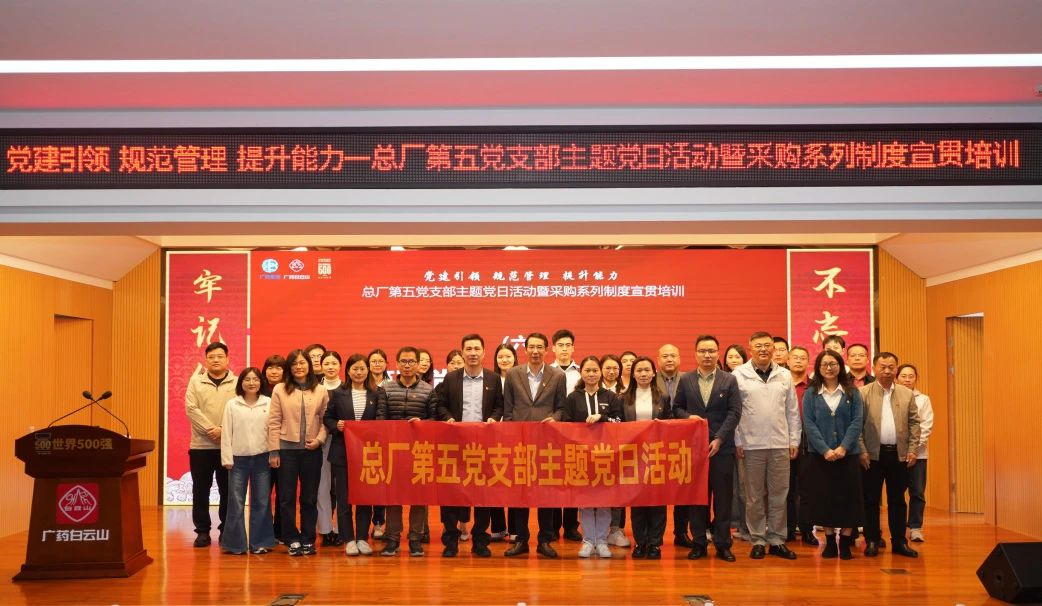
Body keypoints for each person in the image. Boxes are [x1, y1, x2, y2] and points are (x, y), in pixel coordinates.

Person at [672, 335, 742, 562]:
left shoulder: (729, 380)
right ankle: (699, 543)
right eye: (702, 351)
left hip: (722, 449)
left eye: (711, 351)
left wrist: (720, 438)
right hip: (695, 449)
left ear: (718, 353)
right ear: (695, 354)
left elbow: (735, 412)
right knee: (698, 499)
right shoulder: (686, 379)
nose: (707, 355)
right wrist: (687, 417)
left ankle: (723, 544)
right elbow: (677, 408)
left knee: (723, 499)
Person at [433, 334, 504, 558]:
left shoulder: (493, 379)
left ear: (484, 353)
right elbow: (440, 405)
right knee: (451, 493)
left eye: (476, 349)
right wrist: (448, 418)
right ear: (462, 352)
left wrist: (494, 418)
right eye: (468, 349)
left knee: (483, 494)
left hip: (484, 445)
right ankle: (451, 540)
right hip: (455, 445)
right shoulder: (450, 378)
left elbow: (499, 406)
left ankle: (480, 540)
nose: (473, 353)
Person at [732, 331, 801, 560]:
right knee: (753, 496)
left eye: (767, 345)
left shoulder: (784, 375)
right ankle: (758, 539)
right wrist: (737, 440)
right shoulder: (738, 374)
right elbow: (734, 411)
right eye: (758, 345)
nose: (763, 349)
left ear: (774, 348)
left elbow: (792, 410)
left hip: (780, 443)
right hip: (750, 444)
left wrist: (794, 439)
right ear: (750, 348)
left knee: (779, 494)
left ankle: (777, 539)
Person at [502, 332, 567, 558]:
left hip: (547, 442)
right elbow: (508, 410)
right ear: (525, 349)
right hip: (519, 442)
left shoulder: (558, 375)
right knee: (520, 493)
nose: (536, 351)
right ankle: (521, 540)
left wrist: (555, 419)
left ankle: (544, 540)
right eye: (531, 347)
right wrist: (510, 436)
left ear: (547, 350)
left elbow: (561, 408)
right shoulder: (513, 374)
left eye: (540, 347)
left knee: (546, 493)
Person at [803, 350, 865, 560]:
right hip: (820, 457)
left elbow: (857, 421)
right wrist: (825, 449)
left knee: (849, 498)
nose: (829, 368)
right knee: (824, 498)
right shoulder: (811, 393)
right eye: (824, 364)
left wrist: (844, 447)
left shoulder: (852, 392)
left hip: (848, 455)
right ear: (818, 368)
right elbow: (809, 424)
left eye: (833, 364)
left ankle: (845, 543)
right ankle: (829, 541)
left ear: (840, 366)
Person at [268, 349, 330, 556]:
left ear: (309, 366)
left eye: (302, 363)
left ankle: (308, 539)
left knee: (309, 497)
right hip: (286, 451)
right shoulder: (280, 389)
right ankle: (291, 538)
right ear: (289, 367)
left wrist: (319, 440)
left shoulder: (321, 390)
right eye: (294, 363)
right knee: (286, 498)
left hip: (311, 451)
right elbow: (274, 421)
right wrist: (274, 451)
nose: (299, 367)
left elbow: (326, 420)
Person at [858, 352, 921, 558]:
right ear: (874, 368)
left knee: (897, 500)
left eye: (891, 367)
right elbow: (856, 426)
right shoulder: (863, 393)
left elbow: (915, 423)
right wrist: (862, 450)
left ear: (896, 369)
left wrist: (912, 449)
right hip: (871, 456)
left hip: (899, 455)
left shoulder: (906, 394)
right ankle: (872, 540)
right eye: (882, 367)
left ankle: (899, 542)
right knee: (871, 500)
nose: (887, 371)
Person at [559, 355, 622, 558]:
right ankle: (588, 541)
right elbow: (566, 425)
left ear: (601, 372)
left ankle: (602, 541)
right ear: (581, 372)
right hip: (581, 457)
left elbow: (619, 421)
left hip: (606, 456)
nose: (592, 374)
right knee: (585, 501)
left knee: (604, 500)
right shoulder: (573, 398)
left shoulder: (611, 397)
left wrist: (602, 418)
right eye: (587, 370)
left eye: (595, 370)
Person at [376, 346, 436, 557]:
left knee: (419, 496)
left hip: (420, 451)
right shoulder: (386, 389)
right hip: (394, 451)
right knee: (393, 496)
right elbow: (380, 419)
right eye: (403, 361)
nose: (407, 365)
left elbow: (435, 419)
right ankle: (392, 539)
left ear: (419, 364)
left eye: (411, 361)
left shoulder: (429, 390)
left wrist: (423, 423)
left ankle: (415, 539)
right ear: (397, 364)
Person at [323, 353, 379, 556]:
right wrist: (335, 425)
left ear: (368, 370)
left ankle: (362, 537)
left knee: (365, 496)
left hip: (368, 453)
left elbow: (381, 420)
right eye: (355, 368)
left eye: (362, 368)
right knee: (343, 497)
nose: (359, 372)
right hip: (342, 452)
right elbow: (327, 417)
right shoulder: (339, 393)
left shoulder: (376, 394)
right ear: (348, 371)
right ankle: (348, 539)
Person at [184, 342, 236, 548]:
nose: (216, 360)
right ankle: (202, 531)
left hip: (228, 446)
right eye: (211, 357)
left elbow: (239, 410)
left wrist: (223, 430)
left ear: (227, 359)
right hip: (201, 446)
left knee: (228, 491)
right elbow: (191, 409)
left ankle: (226, 530)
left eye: (220, 356)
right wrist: (210, 430)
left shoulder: (237, 382)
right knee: (200, 490)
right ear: (206, 360)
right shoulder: (196, 382)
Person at [219, 367, 275, 555]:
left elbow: (273, 431)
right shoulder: (232, 404)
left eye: (255, 379)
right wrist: (227, 458)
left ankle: (260, 542)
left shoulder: (268, 402)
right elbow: (226, 432)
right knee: (236, 502)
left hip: (262, 458)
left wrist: (273, 454)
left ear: (261, 382)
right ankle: (235, 545)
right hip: (237, 460)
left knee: (262, 501)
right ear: (241, 382)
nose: (251, 383)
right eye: (247, 379)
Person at [623, 356, 671, 559]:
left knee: (657, 501)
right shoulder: (624, 398)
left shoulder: (663, 397)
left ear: (653, 373)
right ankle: (640, 542)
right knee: (638, 502)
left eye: (647, 370)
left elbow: (670, 423)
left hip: (656, 454)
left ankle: (655, 544)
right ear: (633, 374)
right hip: (633, 456)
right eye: (639, 370)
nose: (643, 374)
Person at [549, 329, 583, 543]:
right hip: (552, 431)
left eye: (567, 345)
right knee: (553, 477)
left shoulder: (581, 373)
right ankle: (552, 527)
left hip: (575, 431)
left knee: (573, 477)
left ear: (573, 348)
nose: (564, 349)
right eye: (560, 345)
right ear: (553, 348)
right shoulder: (547, 372)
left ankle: (571, 526)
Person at [656, 343, 690, 548]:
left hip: (682, 441)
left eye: (673, 356)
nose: (669, 359)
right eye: (665, 356)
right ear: (658, 360)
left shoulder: (688, 379)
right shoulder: (650, 379)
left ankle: (681, 532)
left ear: (679, 359)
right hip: (656, 443)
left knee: (682, 488)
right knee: (656, 488)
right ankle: (655, 535)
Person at [896, 364, 934, 543]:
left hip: (918, 455)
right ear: (897, 378)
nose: (907, 379)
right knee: (897, 492)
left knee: (917, 492)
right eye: (903, 376)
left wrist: (913, 448)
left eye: (911, 376)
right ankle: (897, 528)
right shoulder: (891, 397)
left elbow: (926, 426)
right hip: (896, 454)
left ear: (916, 378)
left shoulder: (923, 399)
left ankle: (915, 527)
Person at [786, 346, 816, 546]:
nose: (798, 361)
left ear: (808, 362)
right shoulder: (780, 383)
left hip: (808, 443)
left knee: (807, 489)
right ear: (787, 361)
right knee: (786, 490)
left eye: (802, 358)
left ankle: (807, 530)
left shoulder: (815, 386)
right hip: (783, 442)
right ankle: (788, 529)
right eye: (794, 357)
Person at [601, 353, 630, 548]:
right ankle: (597, 530)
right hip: (595, 448)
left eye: (615, 368)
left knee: (618, 487)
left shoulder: (626, 392)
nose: (611, 372)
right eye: (608, 368)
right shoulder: (591, 389)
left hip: (620, 447)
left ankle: (616, 528)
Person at [721, 344, 750, 540]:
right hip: (725, 439)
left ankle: (746, 526)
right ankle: (733, 523)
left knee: (744, 486)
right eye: (730, 357)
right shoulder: (723, 380)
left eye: (737, 357)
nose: (733, 360)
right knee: (729, 486)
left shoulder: (746, 380)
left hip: (745, 439)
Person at [490, 343, 517, 542]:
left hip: (515, 436)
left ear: (515, 358)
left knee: (515, 483)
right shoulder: (491, 380)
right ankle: (498, 527)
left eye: (508, 356)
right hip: (493, 437)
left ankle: (515, 528)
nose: (504, 360)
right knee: (494, 481)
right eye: (500, 357)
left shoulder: (520, 379)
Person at [316, 351, 343, 547]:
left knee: (342, 487)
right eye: (327, 363)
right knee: (322, 486)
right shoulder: (315, 388)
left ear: (340, 366)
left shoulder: (347, 388)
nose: (331, 367)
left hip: (342, 441)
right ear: (321, 366)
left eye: (334, 363)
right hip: (321, 441)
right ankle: (325, 530)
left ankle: (342, 530)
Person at [260, 353, 286, 542]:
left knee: (284, 493)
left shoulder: (289, 391)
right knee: (263, 493)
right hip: (261, 449)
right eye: (270, 367)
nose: (274, 371)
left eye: (278, 367)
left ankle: (281, 531)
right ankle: (264, 531)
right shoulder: (256, 391)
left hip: (284, 448)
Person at [366, 348, 390, 539]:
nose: (377, 364)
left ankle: (379, 523)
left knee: (381, 482)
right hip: (363, 441)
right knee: (366, 482)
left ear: (386, 364)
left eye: (380, 361)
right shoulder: (361, 385)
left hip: (386, 441)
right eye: (373, 361)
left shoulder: (391, 386)